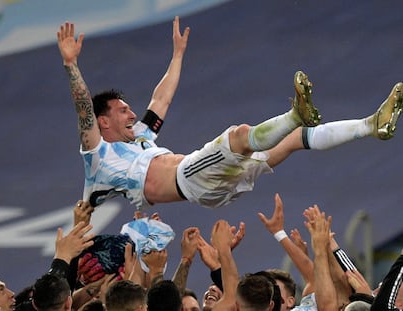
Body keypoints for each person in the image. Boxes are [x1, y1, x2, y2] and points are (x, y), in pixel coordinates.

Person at [57, 18, 403, 211]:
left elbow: (160, 98)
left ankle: (371, 125)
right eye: (122, 111)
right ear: (104, 122)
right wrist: (71, 64)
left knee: (292, 141)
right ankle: (297, 113)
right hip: (190, 179)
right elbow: (84, 109)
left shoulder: (142, 137)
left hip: (212, 182)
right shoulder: (97, 155)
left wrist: (177, 56)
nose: (132, 112)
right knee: (238, 134)